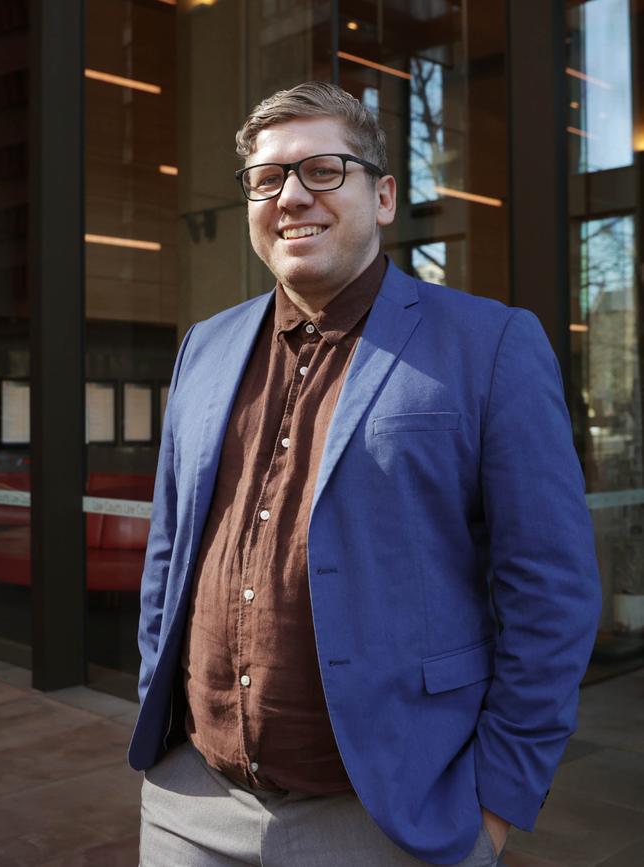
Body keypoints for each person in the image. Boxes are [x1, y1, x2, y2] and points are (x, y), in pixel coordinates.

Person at [130, 82, 602, 867]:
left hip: (387, 814)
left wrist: (495, 804)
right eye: (267, 177)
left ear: (382, 196)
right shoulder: (203, 348)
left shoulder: (489, 344)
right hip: (191, 801)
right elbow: (169, 549)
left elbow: (551, 591)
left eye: (322, 170)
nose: (290, 196)